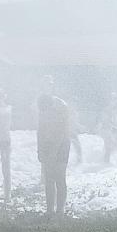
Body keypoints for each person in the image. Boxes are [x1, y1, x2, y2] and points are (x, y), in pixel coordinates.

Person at [37, 79, 73, 218]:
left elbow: (61, 133)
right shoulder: (42, 107)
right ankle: (49, 209)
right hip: (48, 142)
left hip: (62, 143)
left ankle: (60, 210)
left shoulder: (61, 107)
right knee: (48, 177)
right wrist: (40, 149)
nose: (44, 113)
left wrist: (53, 152)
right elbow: (40, 129)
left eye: (46, 111)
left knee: (59, 175)